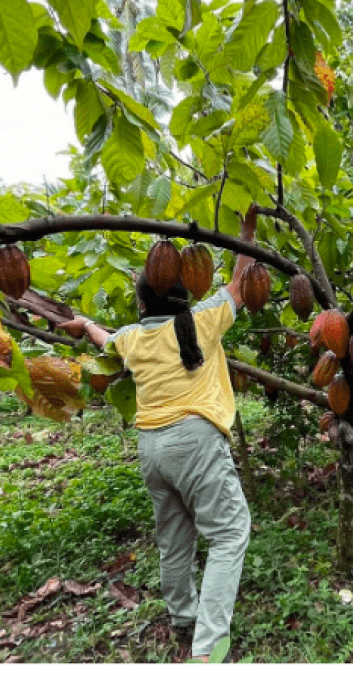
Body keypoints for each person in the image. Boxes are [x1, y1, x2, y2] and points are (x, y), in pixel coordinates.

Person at [60, 207, 259, 662]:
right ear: (183, 293)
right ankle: (208, 650)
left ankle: (182, 617)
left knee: (174, 537)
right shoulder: (202, 321)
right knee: (230, 533)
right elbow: (240, 284)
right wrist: (246, 231)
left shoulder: (132, 338)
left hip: (151, 448)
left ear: (143, 304)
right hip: (195, 440)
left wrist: (82, 323)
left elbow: (103, 338)